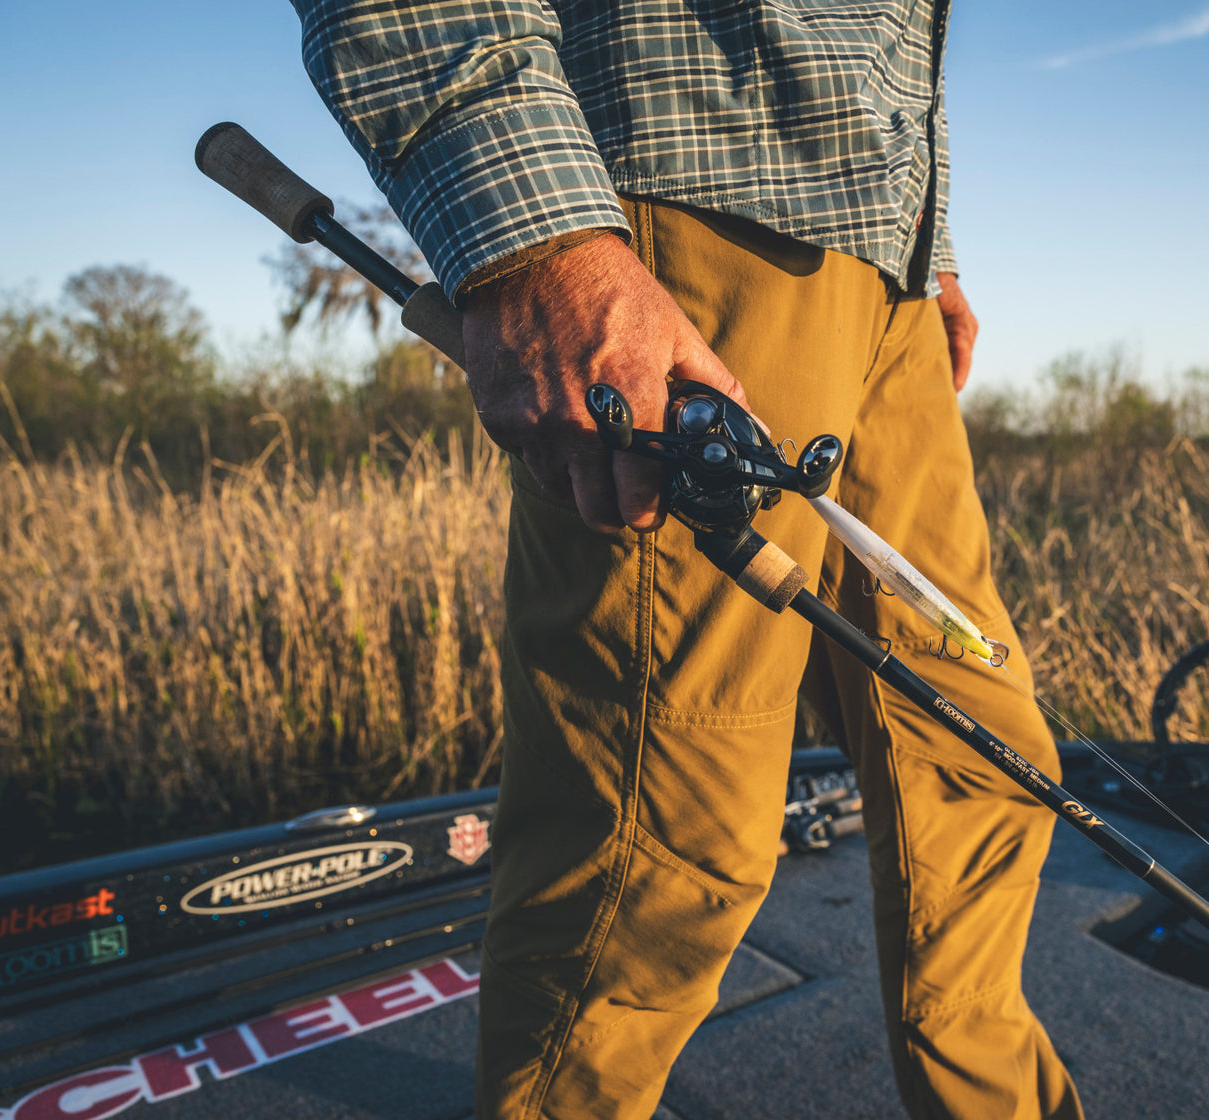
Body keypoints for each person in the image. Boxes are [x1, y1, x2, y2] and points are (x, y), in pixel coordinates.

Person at [295, 2, 1083, 1117]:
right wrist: (536, 229)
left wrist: (925, 243)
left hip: (884, 265)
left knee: (978, 753)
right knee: (662, 838)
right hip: (679, 218)